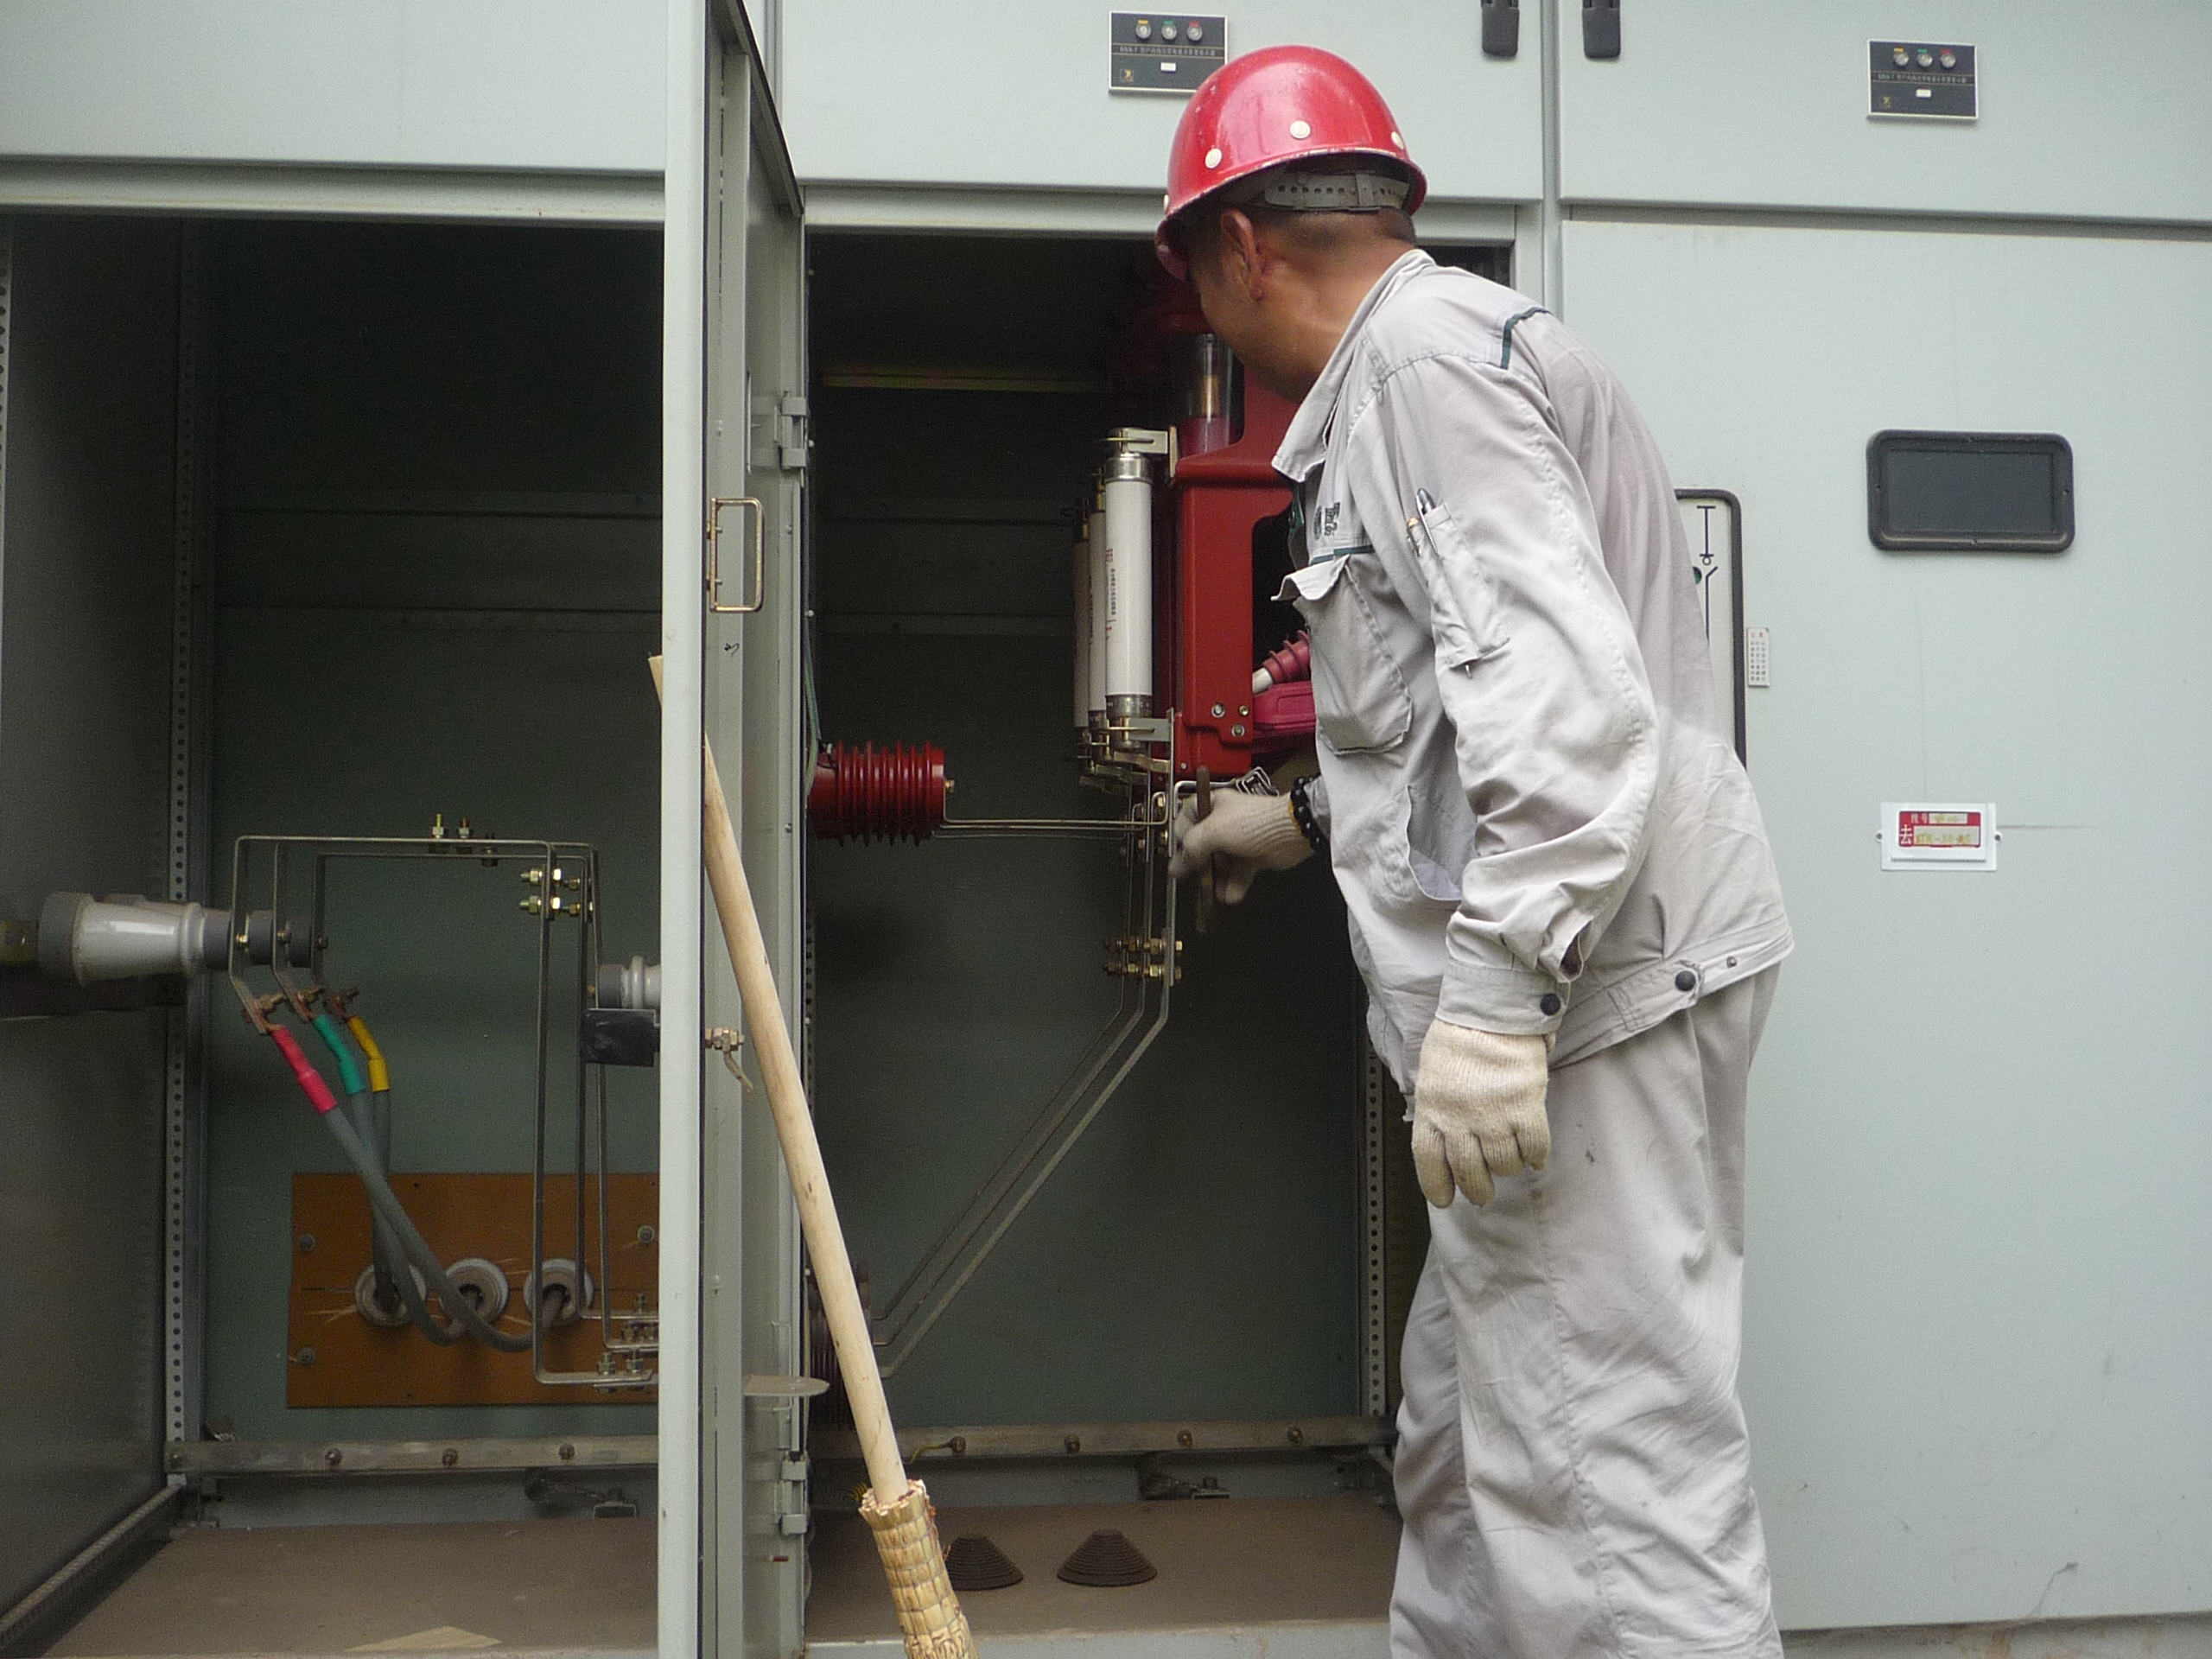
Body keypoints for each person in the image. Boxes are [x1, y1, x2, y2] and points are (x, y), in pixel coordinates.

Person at [1159, 46, 1794, 1659]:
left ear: (1241, 247)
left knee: (1607, 1471)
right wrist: (1306, 818)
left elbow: (1566, 714)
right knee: (1468, 1438)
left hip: (1583, 999)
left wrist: (1499, 1004)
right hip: (1604, 965)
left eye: (1189, 275)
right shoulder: (1452, 354)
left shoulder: (1417, 375)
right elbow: (1460, 717)